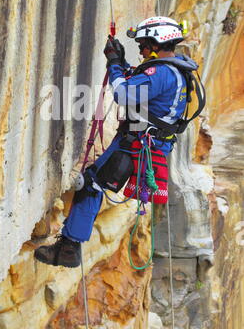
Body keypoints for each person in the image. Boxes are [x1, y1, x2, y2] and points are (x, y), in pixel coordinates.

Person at [34, 16, 201, 268]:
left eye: (144, 43)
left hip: (136, 144)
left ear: (157, 42)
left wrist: (113, 64)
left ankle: (69, 248)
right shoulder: (174, 69)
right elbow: (138, 84)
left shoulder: (160, 72)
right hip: (145, 141)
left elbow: (124, 93)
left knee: (91, 184)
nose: (141, 48)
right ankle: (68, 247)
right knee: (93, 182)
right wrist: (121, 62)